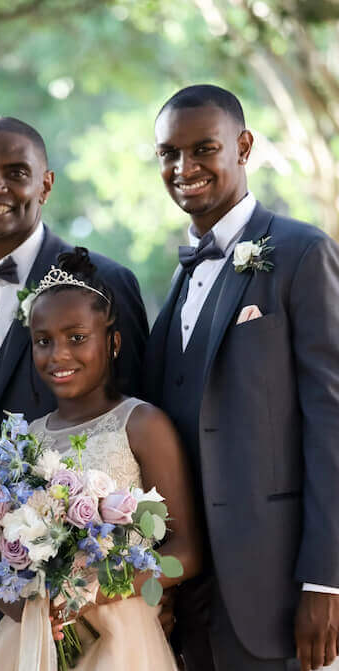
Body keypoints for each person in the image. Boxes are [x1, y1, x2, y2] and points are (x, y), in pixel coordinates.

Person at [0, 116, 150, 670]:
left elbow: (138, 426)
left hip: (88, 606)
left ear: (45, 184)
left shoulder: (102, 281)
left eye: (15, 173)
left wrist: (147, 588)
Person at [144, 84, 339, 671]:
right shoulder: (177, 281)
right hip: (190, 594)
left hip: (275, 583)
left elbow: (332, 423)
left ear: (244, 146)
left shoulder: (303, 253)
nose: (185, 168)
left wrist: (326, 581)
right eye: (169, 154)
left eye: (203, 148)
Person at [0, 247, 201, 671]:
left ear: (112, 343)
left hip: (123, 638)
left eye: (77, 338)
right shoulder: (25, 441)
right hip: (35, 639)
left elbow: (188, 549)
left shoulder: (141, 424)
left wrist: (92, 593)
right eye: (44, 341)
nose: (58, 355)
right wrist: (27, 608)